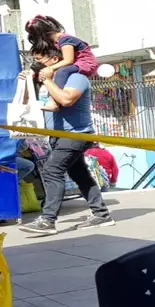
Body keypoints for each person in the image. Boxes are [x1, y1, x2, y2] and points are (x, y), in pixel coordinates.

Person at [18, 47, 114, 235]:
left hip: (76, 134)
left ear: (55, 59)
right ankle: (101, 214)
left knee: (52, 170)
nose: (37, 64)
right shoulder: (48, 81)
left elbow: (67, 100)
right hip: (58, 135)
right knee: (79, 174)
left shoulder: (76, 78)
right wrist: (25, 83)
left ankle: (48, 220)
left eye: (40, 60)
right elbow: (26, 103)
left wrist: (47, 79)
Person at [24, 15, 99, 94]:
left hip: (86, 63)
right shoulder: (57, 42)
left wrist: (50, 68)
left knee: (62, 71)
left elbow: (68, 60)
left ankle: (56, 96)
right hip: (77, 63)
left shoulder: (65, 39)